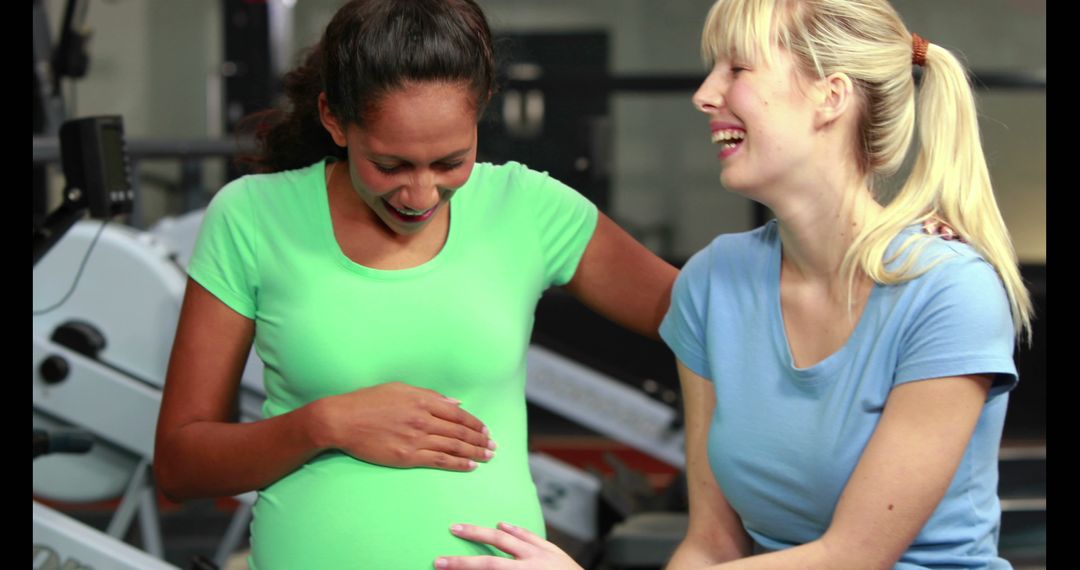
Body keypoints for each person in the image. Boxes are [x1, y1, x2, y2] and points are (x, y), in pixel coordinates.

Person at [439, 0, 1033, 568]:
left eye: (738, 69)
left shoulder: (949, 293)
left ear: (830, 96)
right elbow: (712, 545)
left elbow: (855, 557)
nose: (705, 95)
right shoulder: (713, 283)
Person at [152, 1, 677, 568]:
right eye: (392, 166)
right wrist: (325, 424)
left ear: (480, 115)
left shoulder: (528, 208)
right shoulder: (251, 216)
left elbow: (713, 321)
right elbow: (182, 466)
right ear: (334, 119)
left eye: (451, 163)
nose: (421, 195)